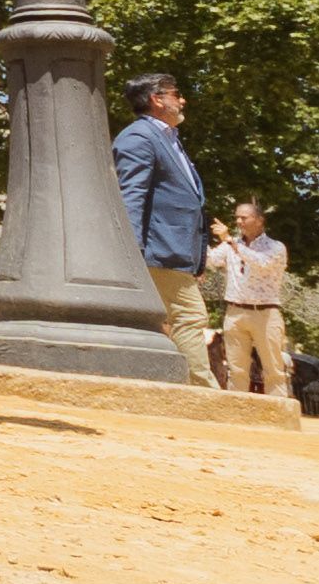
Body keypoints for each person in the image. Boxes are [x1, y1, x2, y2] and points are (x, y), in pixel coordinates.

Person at [113, 71, 214, 386]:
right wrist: (132, 249)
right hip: (160, 250)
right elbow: (131, 195)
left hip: (175, 251)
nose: (183, 100)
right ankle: (202, 392)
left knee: (169, 322)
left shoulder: (168, 138)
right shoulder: (140, 137)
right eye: (176, 93)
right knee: (190, 317)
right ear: (157, 99)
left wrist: (197, 257)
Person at [208, 199, 291, 397]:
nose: (239, 222)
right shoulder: (231, 244)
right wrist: (197, 236)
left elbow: (261, 263)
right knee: (236, 371)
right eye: (237, 217)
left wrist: (230, 241)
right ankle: (236, 411)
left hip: (265, 314)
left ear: (260, 220)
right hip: (235, 313)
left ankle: (278, 412)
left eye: (244, 218)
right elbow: (211, 260)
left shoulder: (275, 247)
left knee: (273, 371)